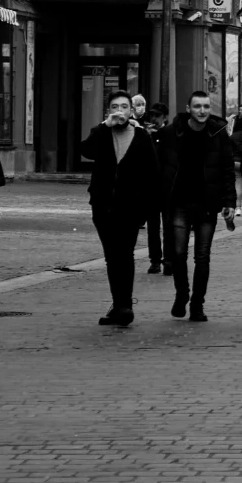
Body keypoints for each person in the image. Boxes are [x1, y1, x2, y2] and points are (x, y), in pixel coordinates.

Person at [78, 90, 160, 326]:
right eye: (115, 107)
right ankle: (119, 305)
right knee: (112, 256)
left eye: (124, 107)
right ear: (108, 111)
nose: (119, 111)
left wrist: (146, 209)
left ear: (131, 111)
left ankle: (124, 306)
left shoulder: (141, 136)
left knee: (125, 254)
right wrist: (103, 126)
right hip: (103, 206)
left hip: (130, 207)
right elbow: (86, 151)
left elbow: (152, 174)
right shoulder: (102, 133)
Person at [157, 91, 236, 321]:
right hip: (180, 202)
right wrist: (162, 198)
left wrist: (229, 202)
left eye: (206, 106)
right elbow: (161, 167)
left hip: (207, 204)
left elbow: (227, 169)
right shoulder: (172, 132)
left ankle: (197, 305)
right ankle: (182, 294)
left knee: (202, 256)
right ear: (188, 108)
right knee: (178, 254)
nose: (202, 111)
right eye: (197, 106)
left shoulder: (218, 133)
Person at [131, 93, 165, 274]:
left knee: (166, 226)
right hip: (148, 187)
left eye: (157, 117)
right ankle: (155, 260)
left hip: (165, 187)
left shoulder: (168, 135)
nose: (154, 120)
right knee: (152, 227)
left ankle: (167, 259)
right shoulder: (143, 134)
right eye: (151, 117)